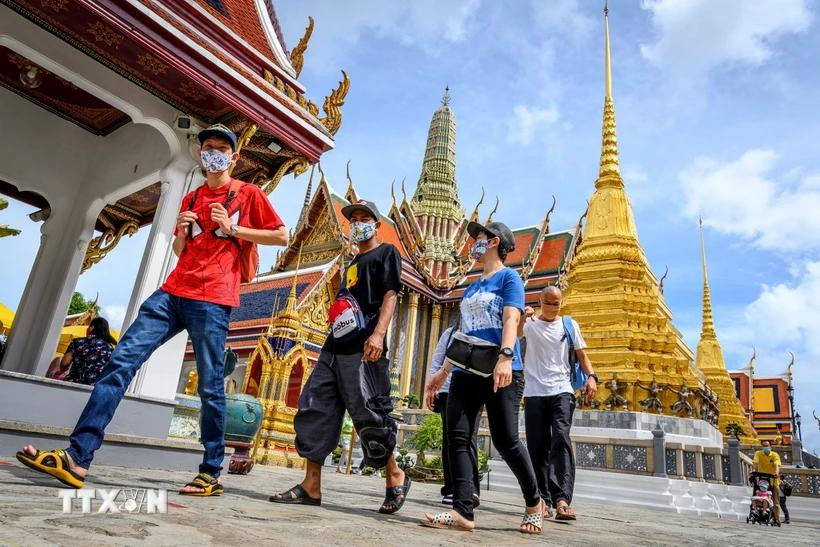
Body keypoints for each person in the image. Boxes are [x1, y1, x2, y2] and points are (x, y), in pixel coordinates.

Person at [17, 124, 287, 496]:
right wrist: (182, 232)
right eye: (208, 147)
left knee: (210, 386)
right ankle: (77, 457)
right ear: (200, 154)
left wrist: (233, 229)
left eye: (222, 149)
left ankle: (210, 472)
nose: (214, 153)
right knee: (120, 361)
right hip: (173, 292)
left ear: (234, 157)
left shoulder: (247, 194)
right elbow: (180, 251)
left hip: (213, 298)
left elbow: (281, 235)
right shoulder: (191, 198)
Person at [270, 199, 410, 513]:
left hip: (365, 347)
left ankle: (394, 474)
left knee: (368, 412)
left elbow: (390, 295)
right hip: (333, 347)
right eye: (353, 218)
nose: (357, 223)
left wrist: (379, 334)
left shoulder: (386, 253)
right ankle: (311, 485)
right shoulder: (351, 262)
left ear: (376, 225)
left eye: (364, 219)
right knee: (315, 405)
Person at [423, 221, 544, 534]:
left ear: (493, 242)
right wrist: (442, 372)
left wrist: (506, 357)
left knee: (506, 440)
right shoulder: (472, 286)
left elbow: (511, 318)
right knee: (458, 435)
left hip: (500, 367)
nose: (473, 243)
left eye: (478, 238)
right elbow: (463, 334)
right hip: (466, 369)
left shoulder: (509, 278)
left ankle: (534, 502)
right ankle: (462, 510)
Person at [519, 286, 598, 521]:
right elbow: (514, 335)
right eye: (549, 303)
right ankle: (542, 499)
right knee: (537, 445)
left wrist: (592, 377)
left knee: (561, 438)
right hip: (534, 392)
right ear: (540, 301)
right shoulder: (530, 325)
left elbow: (582, 355)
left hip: (562, 389)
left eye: (557, 304)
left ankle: (562, 499)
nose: (553, 308)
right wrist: (523, 317)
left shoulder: (569, 325)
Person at [425, 326, 481, 507]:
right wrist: (432, 387)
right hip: (447, 389)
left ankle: (471, 489)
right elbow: (438, 360)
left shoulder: (482, 330)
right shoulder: (449, 333)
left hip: (474, 386)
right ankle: (451, 488)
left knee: (469, 437)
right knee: (449, 438)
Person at [53, 317, 117, 386]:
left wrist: (62, 370)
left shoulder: (78, 342)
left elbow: (65, 363)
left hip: (74, 383)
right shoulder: (110, 348)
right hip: (95, 387)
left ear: (92, 327)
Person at [753, 440, 782, 523]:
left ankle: (777, 519)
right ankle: (758, 513)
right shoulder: (758, 453)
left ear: (770, 447)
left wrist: (776, 473)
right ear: (762, 447)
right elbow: (755, 463)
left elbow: (777, 465)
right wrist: (754, 471)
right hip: (762, 481)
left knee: (776, 501)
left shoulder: (774, 455)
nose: (766, 447)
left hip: (773, 480)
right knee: (758, 497)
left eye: (767, 446)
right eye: (764, 446)